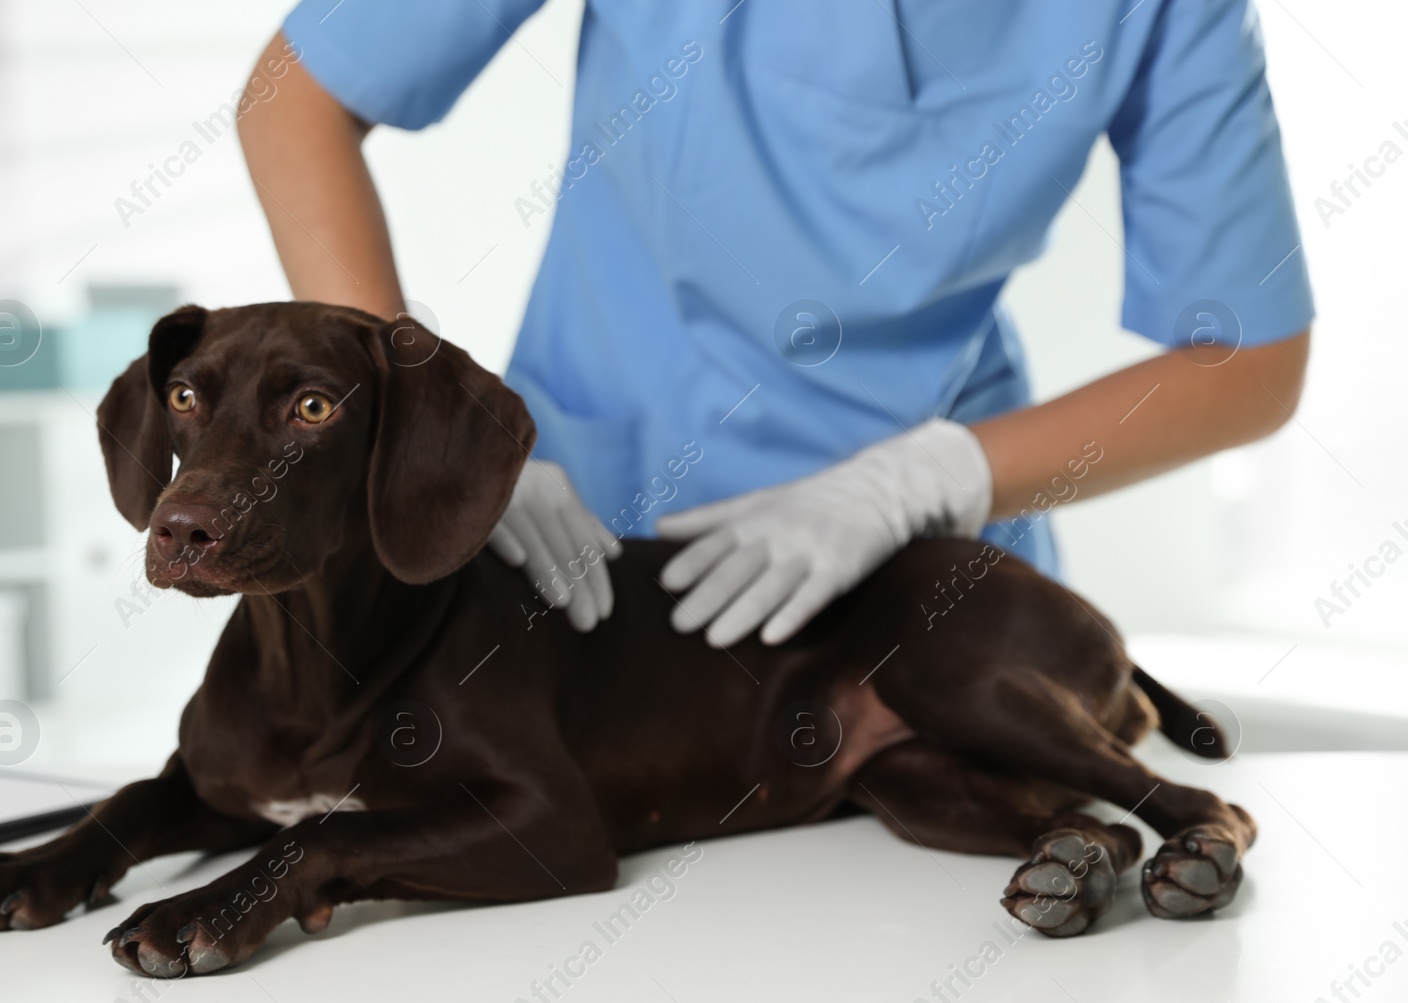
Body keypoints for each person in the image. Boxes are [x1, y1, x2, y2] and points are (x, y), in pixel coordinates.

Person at [239, 0, 1312, 648]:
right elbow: (297, 101)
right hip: (594, 552)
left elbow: (1248, 359)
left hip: (934, 573)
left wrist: (923, 482)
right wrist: (424, 424)